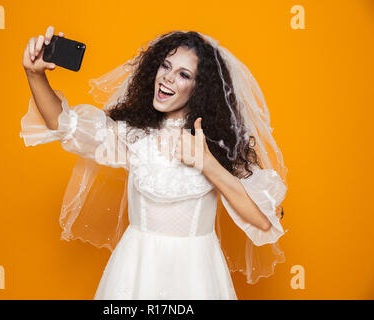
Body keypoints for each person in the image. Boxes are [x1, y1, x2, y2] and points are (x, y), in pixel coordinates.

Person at [20, 26, 288, 299]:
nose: (168, 78)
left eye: (183, 74)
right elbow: (64, 125)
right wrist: (34, 74)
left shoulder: (217, 145)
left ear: (200, 89)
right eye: (165, 66)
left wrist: (207, 163)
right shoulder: (132, 136)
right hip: (135, 272)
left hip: (196, 277)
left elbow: (263, 221)